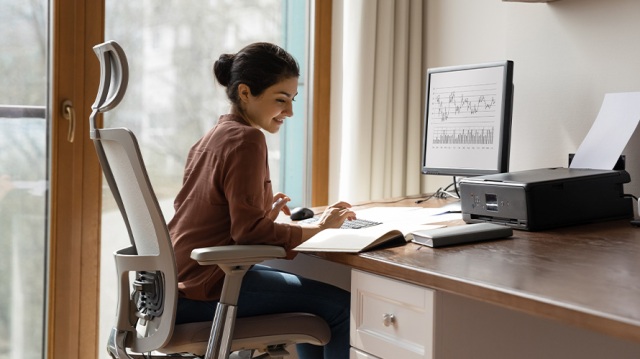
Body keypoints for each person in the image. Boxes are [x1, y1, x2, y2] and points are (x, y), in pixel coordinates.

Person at [168, 42, 354, 359]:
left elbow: (207, 217)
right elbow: (249, 234)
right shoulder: (248, 138)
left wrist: (262, 215)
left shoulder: (210, 137)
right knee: (342, 308)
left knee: (318, 307)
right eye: (281, 100)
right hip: (207, 289)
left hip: (175, 288)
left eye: (293, 100)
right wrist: (320, 227)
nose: (290, 112)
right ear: (245, 93)